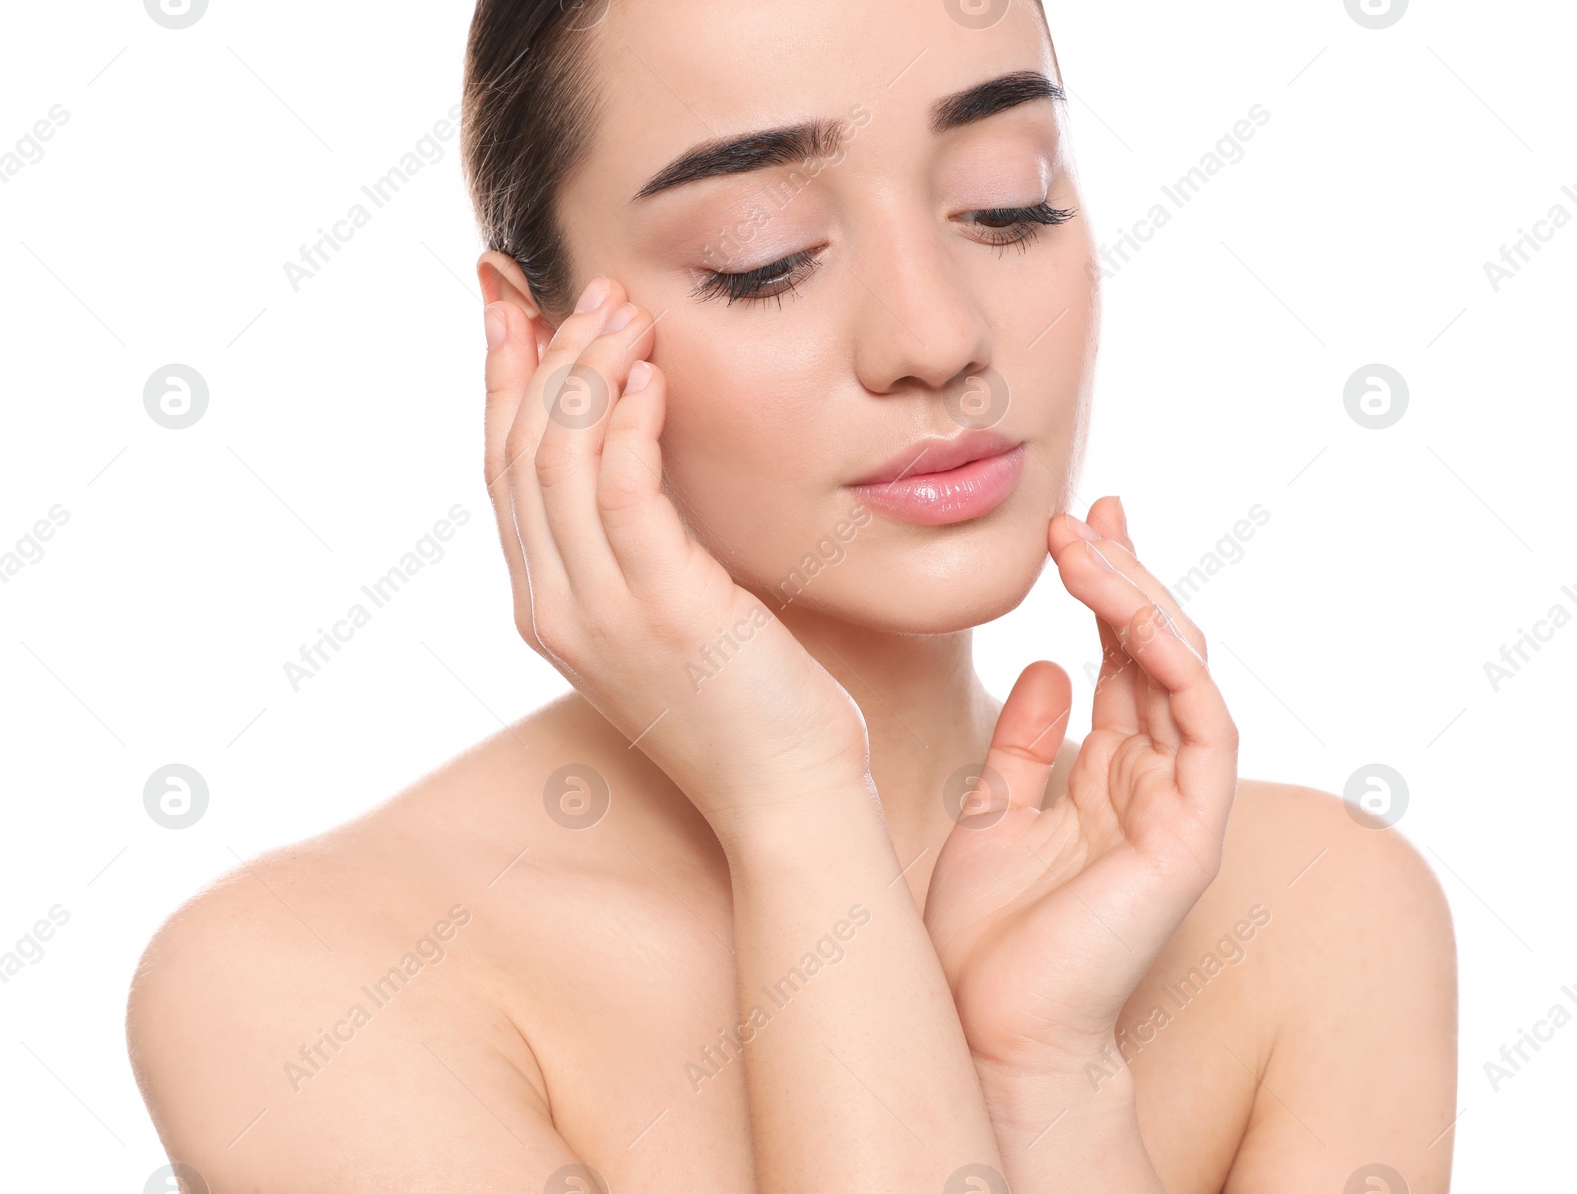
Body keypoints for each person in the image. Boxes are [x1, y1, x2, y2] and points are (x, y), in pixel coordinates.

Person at [126, 1, 1458, 1189]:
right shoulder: (299, 989)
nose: (937, 338)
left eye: (1009, 198)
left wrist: (1047, 1081)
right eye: (762, 255)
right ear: (543, 351)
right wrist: (801, 809)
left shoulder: (1318, 921)